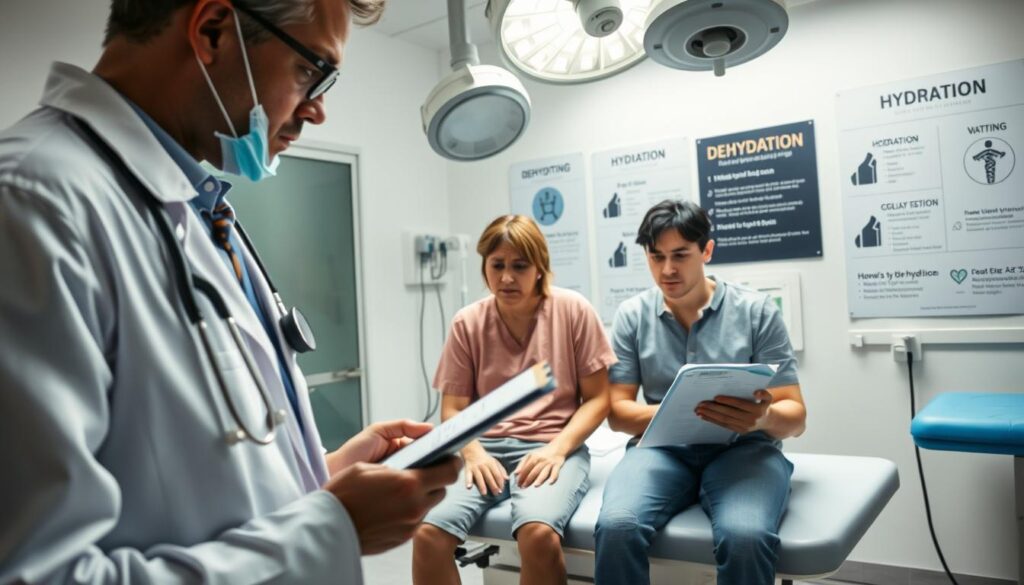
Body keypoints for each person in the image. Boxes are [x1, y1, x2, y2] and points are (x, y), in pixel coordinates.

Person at [0, 1, 460, 582]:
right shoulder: (31, 204)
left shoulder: (201, 210)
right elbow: (39, 573)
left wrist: (324, 474)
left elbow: (198, 478)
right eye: (309, 70)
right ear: (213, 31)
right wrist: (330, 528)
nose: (317, 109)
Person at [593, 200, 807, 585]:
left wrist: (764, 417)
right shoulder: (632, 315)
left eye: (680, 255)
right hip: (660, 451)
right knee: (616, 527)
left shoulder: (756, 312)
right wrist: (684, 409)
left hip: (744, 450)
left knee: (746, 538)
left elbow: (797, 416)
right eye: (656, 257)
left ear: (707, 250)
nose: (667, 269)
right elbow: (618, 413)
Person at [412, 215, 616, 585]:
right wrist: (473, 452)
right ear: (485, 267)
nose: (506, 277)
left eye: (519, 266)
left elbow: (598, 400)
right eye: (497, 265)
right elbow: (453, 409)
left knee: (537, 535)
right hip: (484, 448)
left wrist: (556, 450)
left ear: (539, 268)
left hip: (550, 446)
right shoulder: (467, 322)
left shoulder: (573, 311)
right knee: (427, 535)